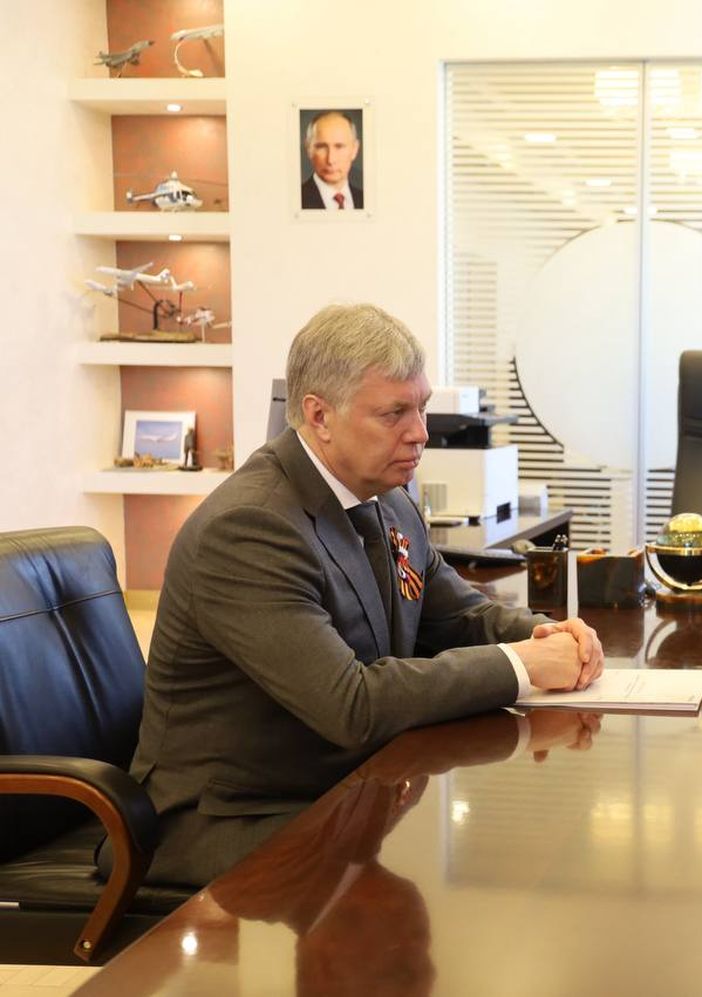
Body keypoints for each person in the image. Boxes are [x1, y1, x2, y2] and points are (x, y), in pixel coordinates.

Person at [125, 303, 604, 887]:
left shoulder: (389, 498)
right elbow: (350, 705)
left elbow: (459, 617)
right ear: (319, 416)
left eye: (421, 407)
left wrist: (547, 635)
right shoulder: (250, 528)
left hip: (345, 785)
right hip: (235, 817)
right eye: (394, 413)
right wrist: (523, 665)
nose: (420, 432)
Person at [301, 111, 363, 210]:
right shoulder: (296, 200)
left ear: (355, 149)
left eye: (339, 146)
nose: (331, 160)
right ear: (309, 149)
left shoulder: (365, 199)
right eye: (321, 147)